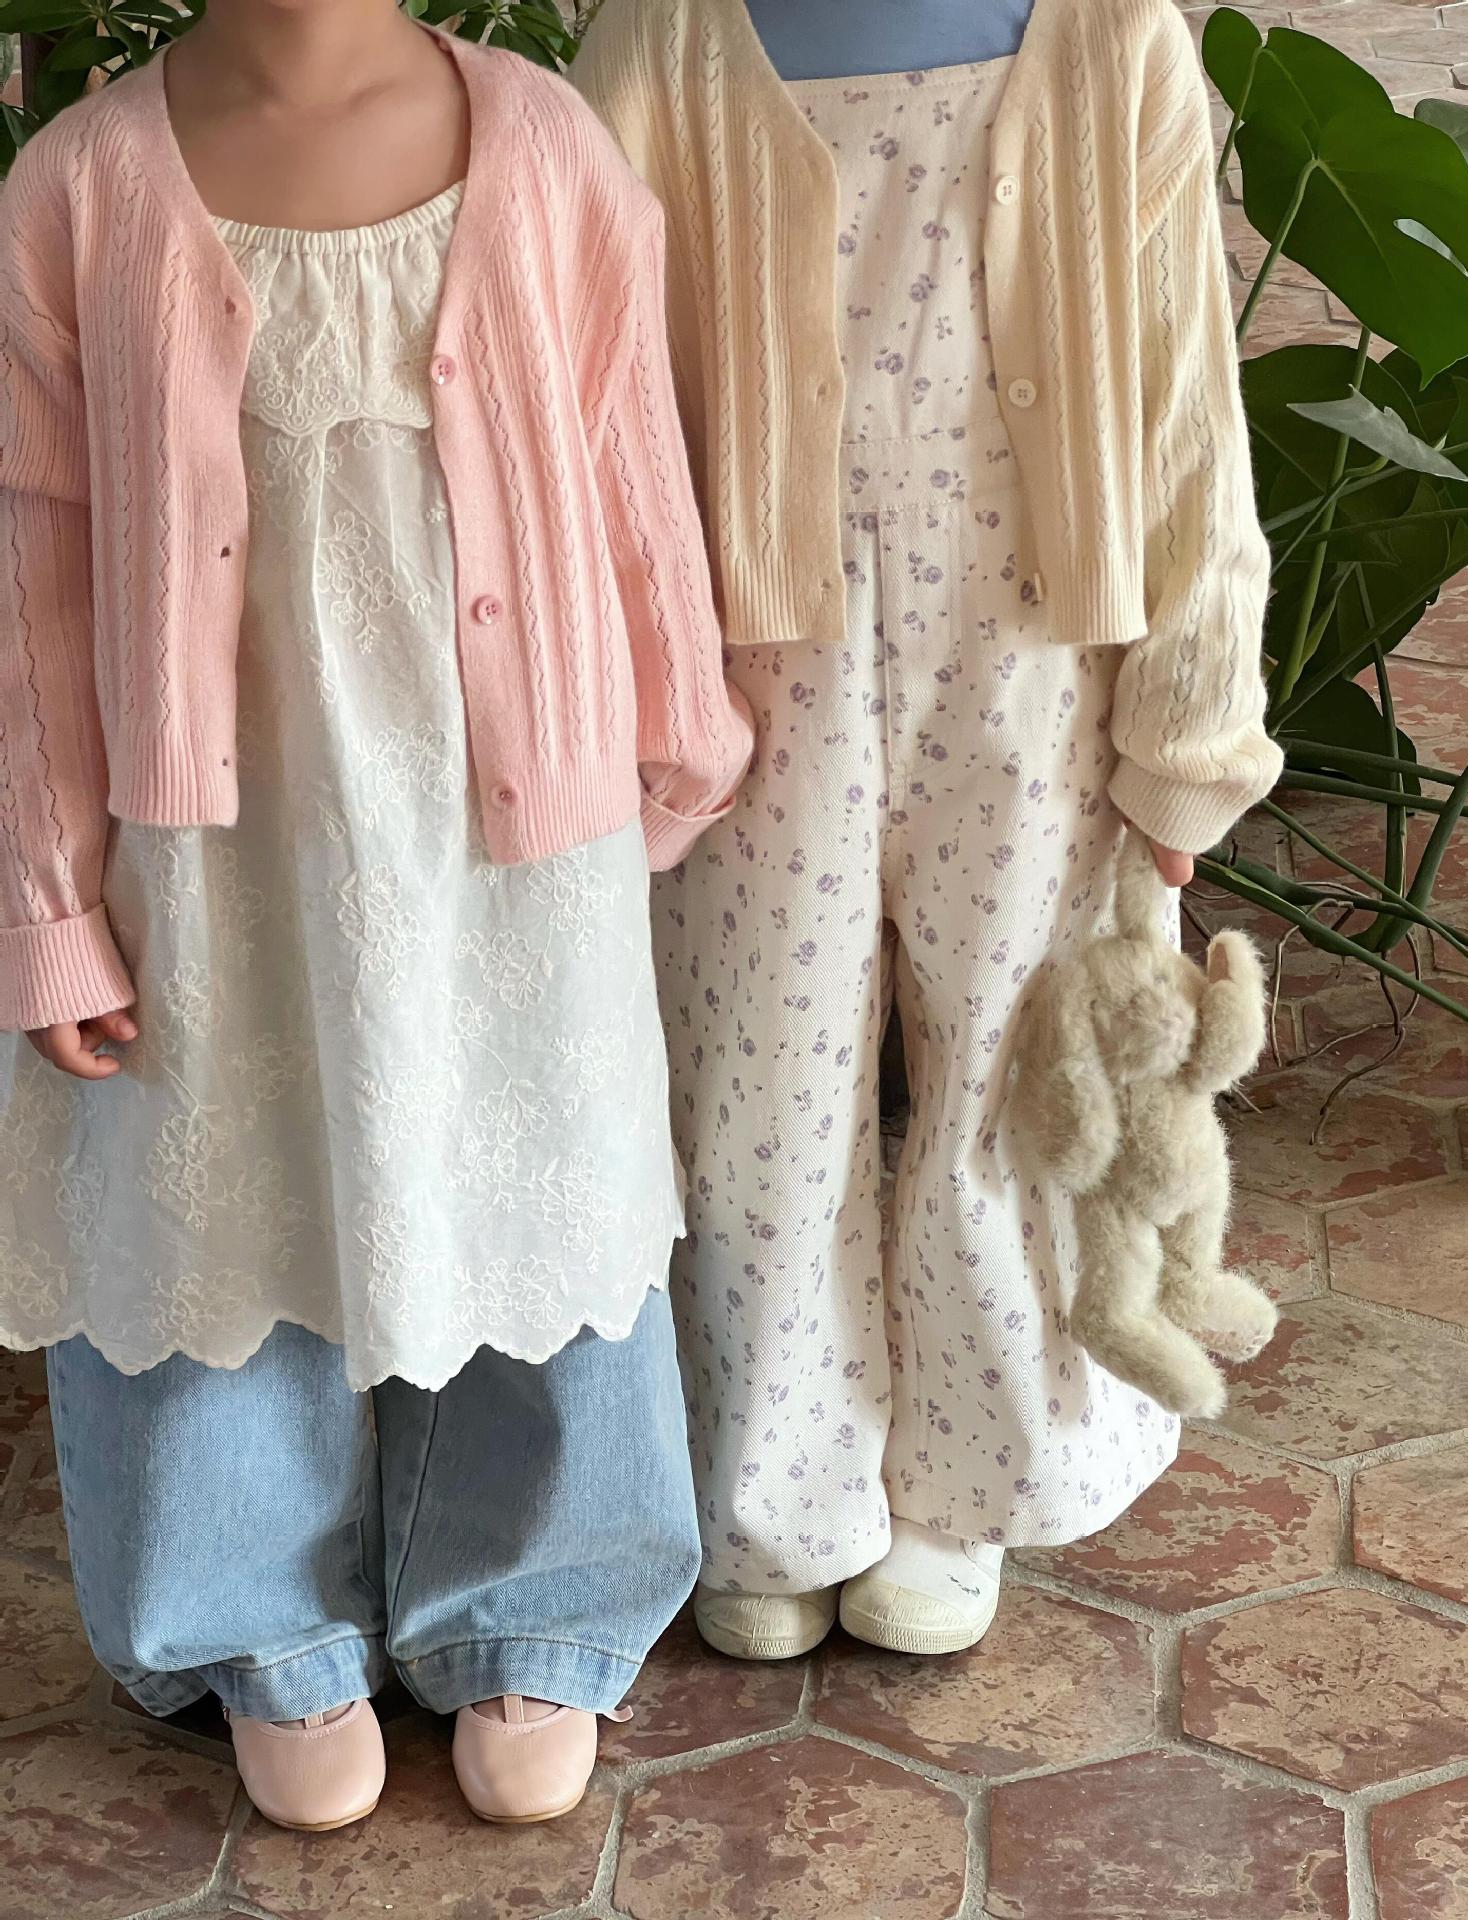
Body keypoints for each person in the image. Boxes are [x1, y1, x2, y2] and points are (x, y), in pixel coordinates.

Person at [0, 0, 751, 1830]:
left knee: (537, 1167)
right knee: (214, 1186)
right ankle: (256, 1624)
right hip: (210, 842)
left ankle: (537, 1599)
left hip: (511, 822)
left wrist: (673, 731)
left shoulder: (547, 147)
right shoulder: (79, 190)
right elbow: (30, 565)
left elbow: (628, 458)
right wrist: (47, 901)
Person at [571, 0, 1281, 1661]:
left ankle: (974, 1482)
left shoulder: (1111, 40)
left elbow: (1185, 398)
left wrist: (1188, 725)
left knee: (1020, 1071)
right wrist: (635, 701)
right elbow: (595, 393)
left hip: (1036, 655)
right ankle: (774, 1492)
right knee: (757, 1078)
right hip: (753, 665)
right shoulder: (666, 40)